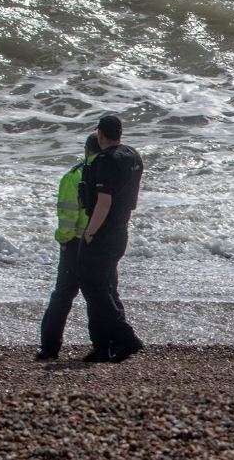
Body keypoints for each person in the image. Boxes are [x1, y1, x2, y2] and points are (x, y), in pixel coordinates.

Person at [79, 115, 144, 363]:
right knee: (106, 287)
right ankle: (105, 346)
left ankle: (125, 337)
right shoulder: (133, 155)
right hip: (121, 229)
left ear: (100, 134)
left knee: (94, 287)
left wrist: (90, 232)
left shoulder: (106, 160)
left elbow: (103, 203)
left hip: (103, 232)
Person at [36, 134, 101, 361]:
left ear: (86, 149)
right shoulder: (110, 174)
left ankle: (50, 347)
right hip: (100, 241)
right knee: (100, 295)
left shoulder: (74, 176)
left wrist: (63, 239)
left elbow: (67, 215)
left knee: (63, 295)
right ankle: (103, 345)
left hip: (75, 242)